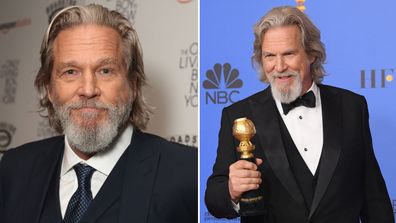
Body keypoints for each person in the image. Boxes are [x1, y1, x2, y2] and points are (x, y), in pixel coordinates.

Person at [0, 4, 197, 223]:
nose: (88, 89)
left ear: (133, 85)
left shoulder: (189, 173)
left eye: (105, 71)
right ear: (49, 88)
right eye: (70, 72)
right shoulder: (15, 169)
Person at [205, 6, 394, 223]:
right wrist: (231, 189)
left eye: (289, 54)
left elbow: (374, 197)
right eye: (269, 56)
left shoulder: (352, 106)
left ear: (312, 54)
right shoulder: (238, 115)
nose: (279, 66)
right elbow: (214, 200)